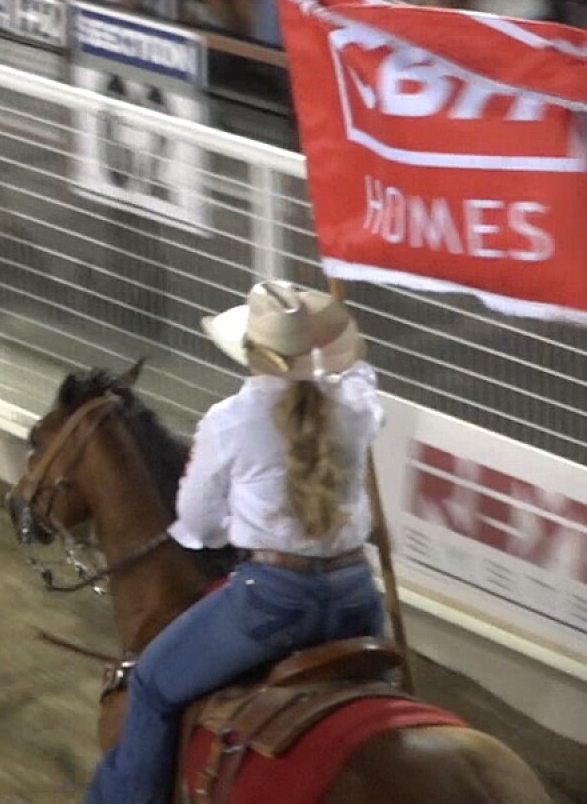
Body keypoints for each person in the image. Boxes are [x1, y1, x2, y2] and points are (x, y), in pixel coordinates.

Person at [85, 281, 385, 804]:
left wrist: (232, 532)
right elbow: (360, 376)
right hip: (357, 596)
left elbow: (197, 522)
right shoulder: (356, 407)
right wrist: (333, 351)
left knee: (152, 684)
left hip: (273, 600)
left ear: (250, 352)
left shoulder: (231, 420)